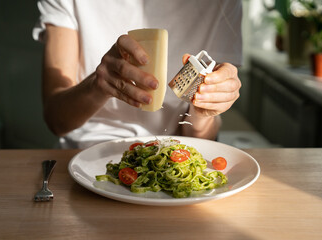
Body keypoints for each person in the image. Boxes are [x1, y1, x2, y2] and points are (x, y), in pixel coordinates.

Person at [32, 0, 242, 149]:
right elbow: (56, 120)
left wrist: (203, 112)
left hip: (173, 154)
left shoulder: (221, 4)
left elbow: (202, 135)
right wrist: (97, 86)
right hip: (84, 155)